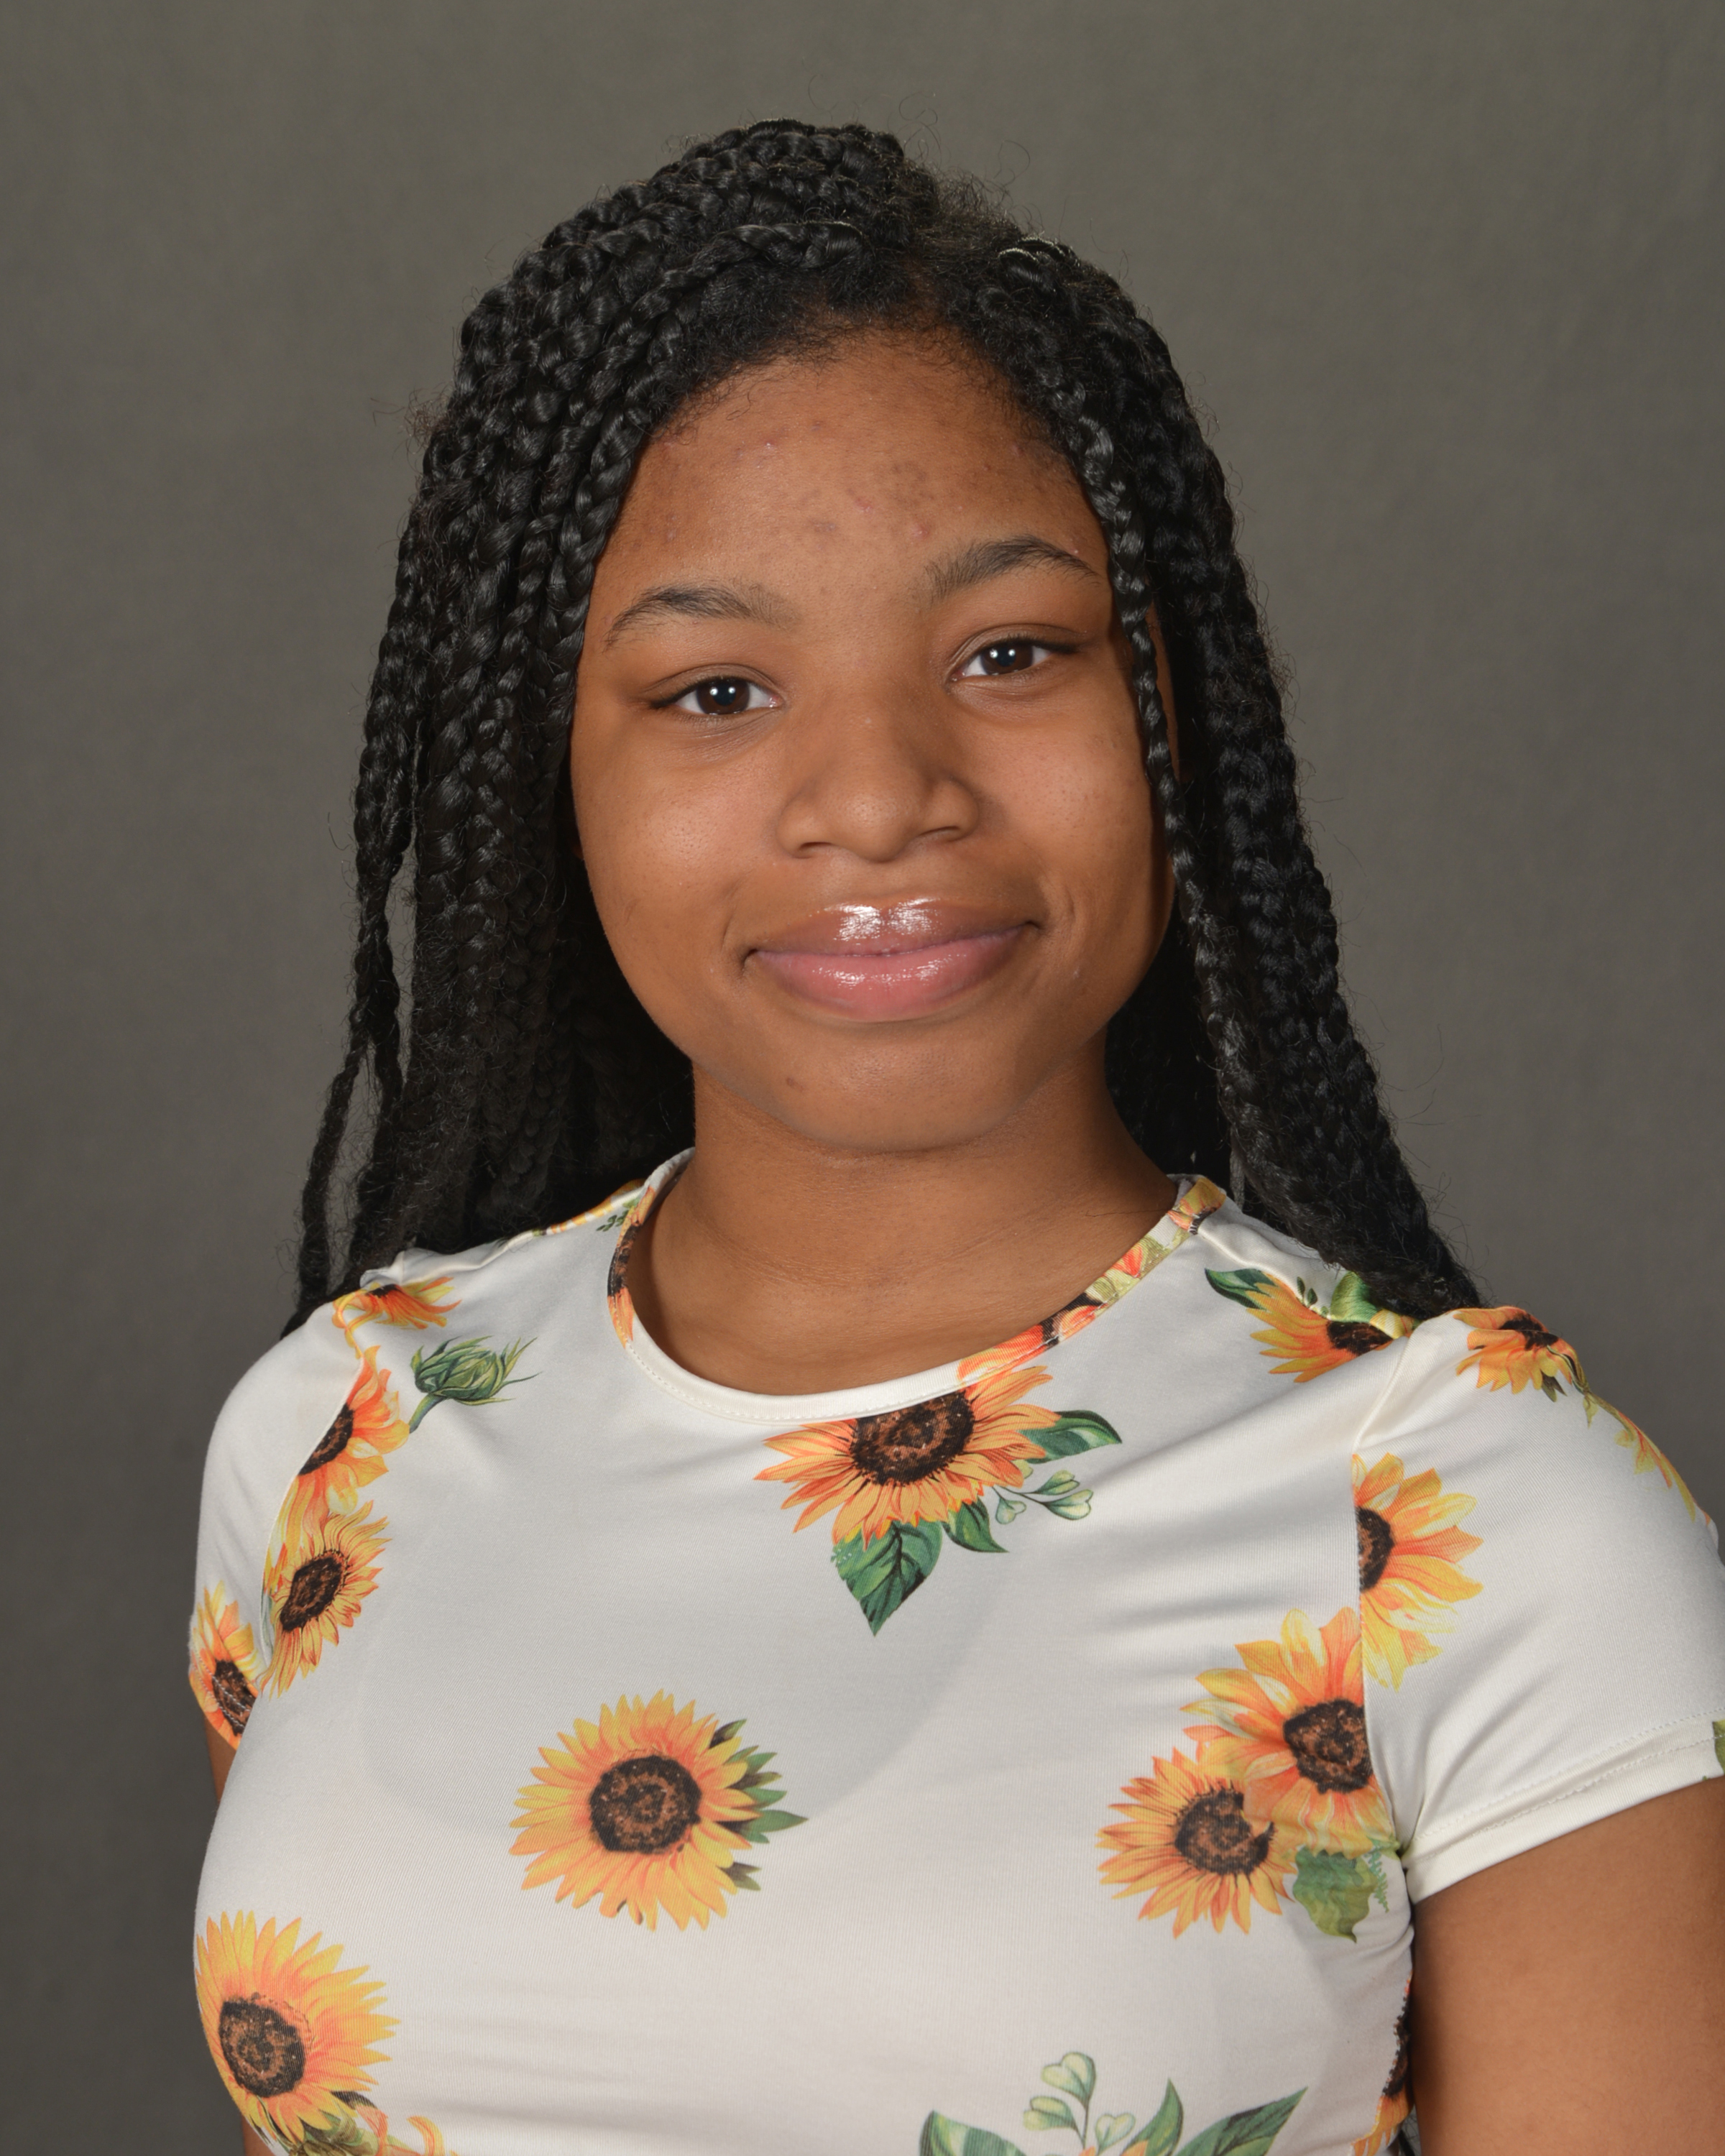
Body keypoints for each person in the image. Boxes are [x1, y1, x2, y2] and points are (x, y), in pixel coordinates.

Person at [187, 121, 1725, 2156]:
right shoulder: (344, 1428)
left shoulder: (1466, 1511)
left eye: (1011, 655)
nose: (879, 794)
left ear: (1171, 710)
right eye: (715, 690)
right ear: (544, 769)